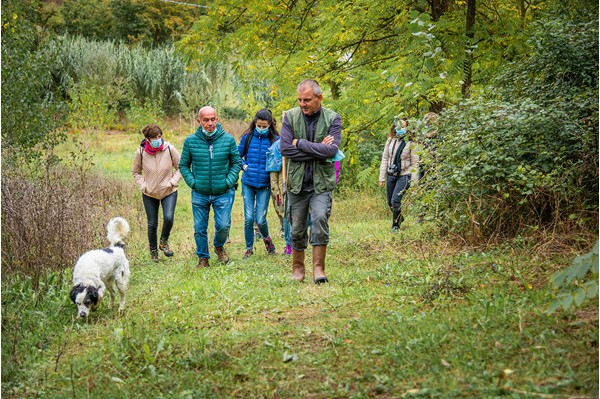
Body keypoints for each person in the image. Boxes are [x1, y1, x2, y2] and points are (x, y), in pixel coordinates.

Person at [280, 78, 342, 284]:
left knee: (319, 221)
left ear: (319, 98)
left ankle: (318, 269)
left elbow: (332, 151)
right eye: (299, 100)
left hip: (321, 184)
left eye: (306, 100)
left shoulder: (333, 119)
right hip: (297, 184)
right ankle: (298, 270)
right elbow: (286, 150)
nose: (302, 104)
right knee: (296, 227)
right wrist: (319, 151)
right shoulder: (290, 117)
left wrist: (301, 144)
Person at [179, 106, 242, 268]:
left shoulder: (227, 140)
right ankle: (203, 258)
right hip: (200, 193)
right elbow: (184, 165)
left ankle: (218, 246)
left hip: (223, 192)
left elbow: (236, 162)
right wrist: (193, 182)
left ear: (217, 119)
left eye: (213, 119)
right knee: (199, 227)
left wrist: (228, 182)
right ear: (199, 121)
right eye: (206, 120)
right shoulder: (190, 141)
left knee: (223, 226)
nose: (210, 123)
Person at [132, 124, 182, 262]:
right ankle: (153, 252)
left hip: (169, 191)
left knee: (168, 218)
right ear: (147, 139)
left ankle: (163, 242)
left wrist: (173, 182)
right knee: (152, 224)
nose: (157, 139)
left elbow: (181, 167)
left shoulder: (169, 149)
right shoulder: (140, 152)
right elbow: (136, 172)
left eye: (159, 136)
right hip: (150, 193)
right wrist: (143, 185)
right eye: (154, 137)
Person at [238, 109, 279, 257]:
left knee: (261, 219)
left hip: (265, 184)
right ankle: (249, 248)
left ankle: (268, 242)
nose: (261, 129)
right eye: (259, 126)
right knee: (249, 218)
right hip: (248, 182)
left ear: (270, 125)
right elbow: (237, 155)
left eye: (264, 126)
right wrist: (244, 165)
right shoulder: (247, 137)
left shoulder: (275, 140)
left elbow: (280, 160)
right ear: (255, 123)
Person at [378, 117, 419, 232]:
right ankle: (399, 217)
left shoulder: (411, 143)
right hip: (391, 174)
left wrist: (414, 181)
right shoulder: (391, 140)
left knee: (396, 200)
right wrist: (381, 177)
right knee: (390, 202)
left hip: (405, 174)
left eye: (403, 126)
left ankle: (395, 225)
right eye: (398, 126)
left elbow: (415, 163)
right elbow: (385, 158)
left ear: (408, 128)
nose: (399, 128)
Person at [266, 128, 292, 255]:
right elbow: (273, 177)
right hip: (282, 187)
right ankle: (289, 244)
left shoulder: (296, 144)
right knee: (286, 214)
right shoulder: (276, 147)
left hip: (295, 184)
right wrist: (277, 193)